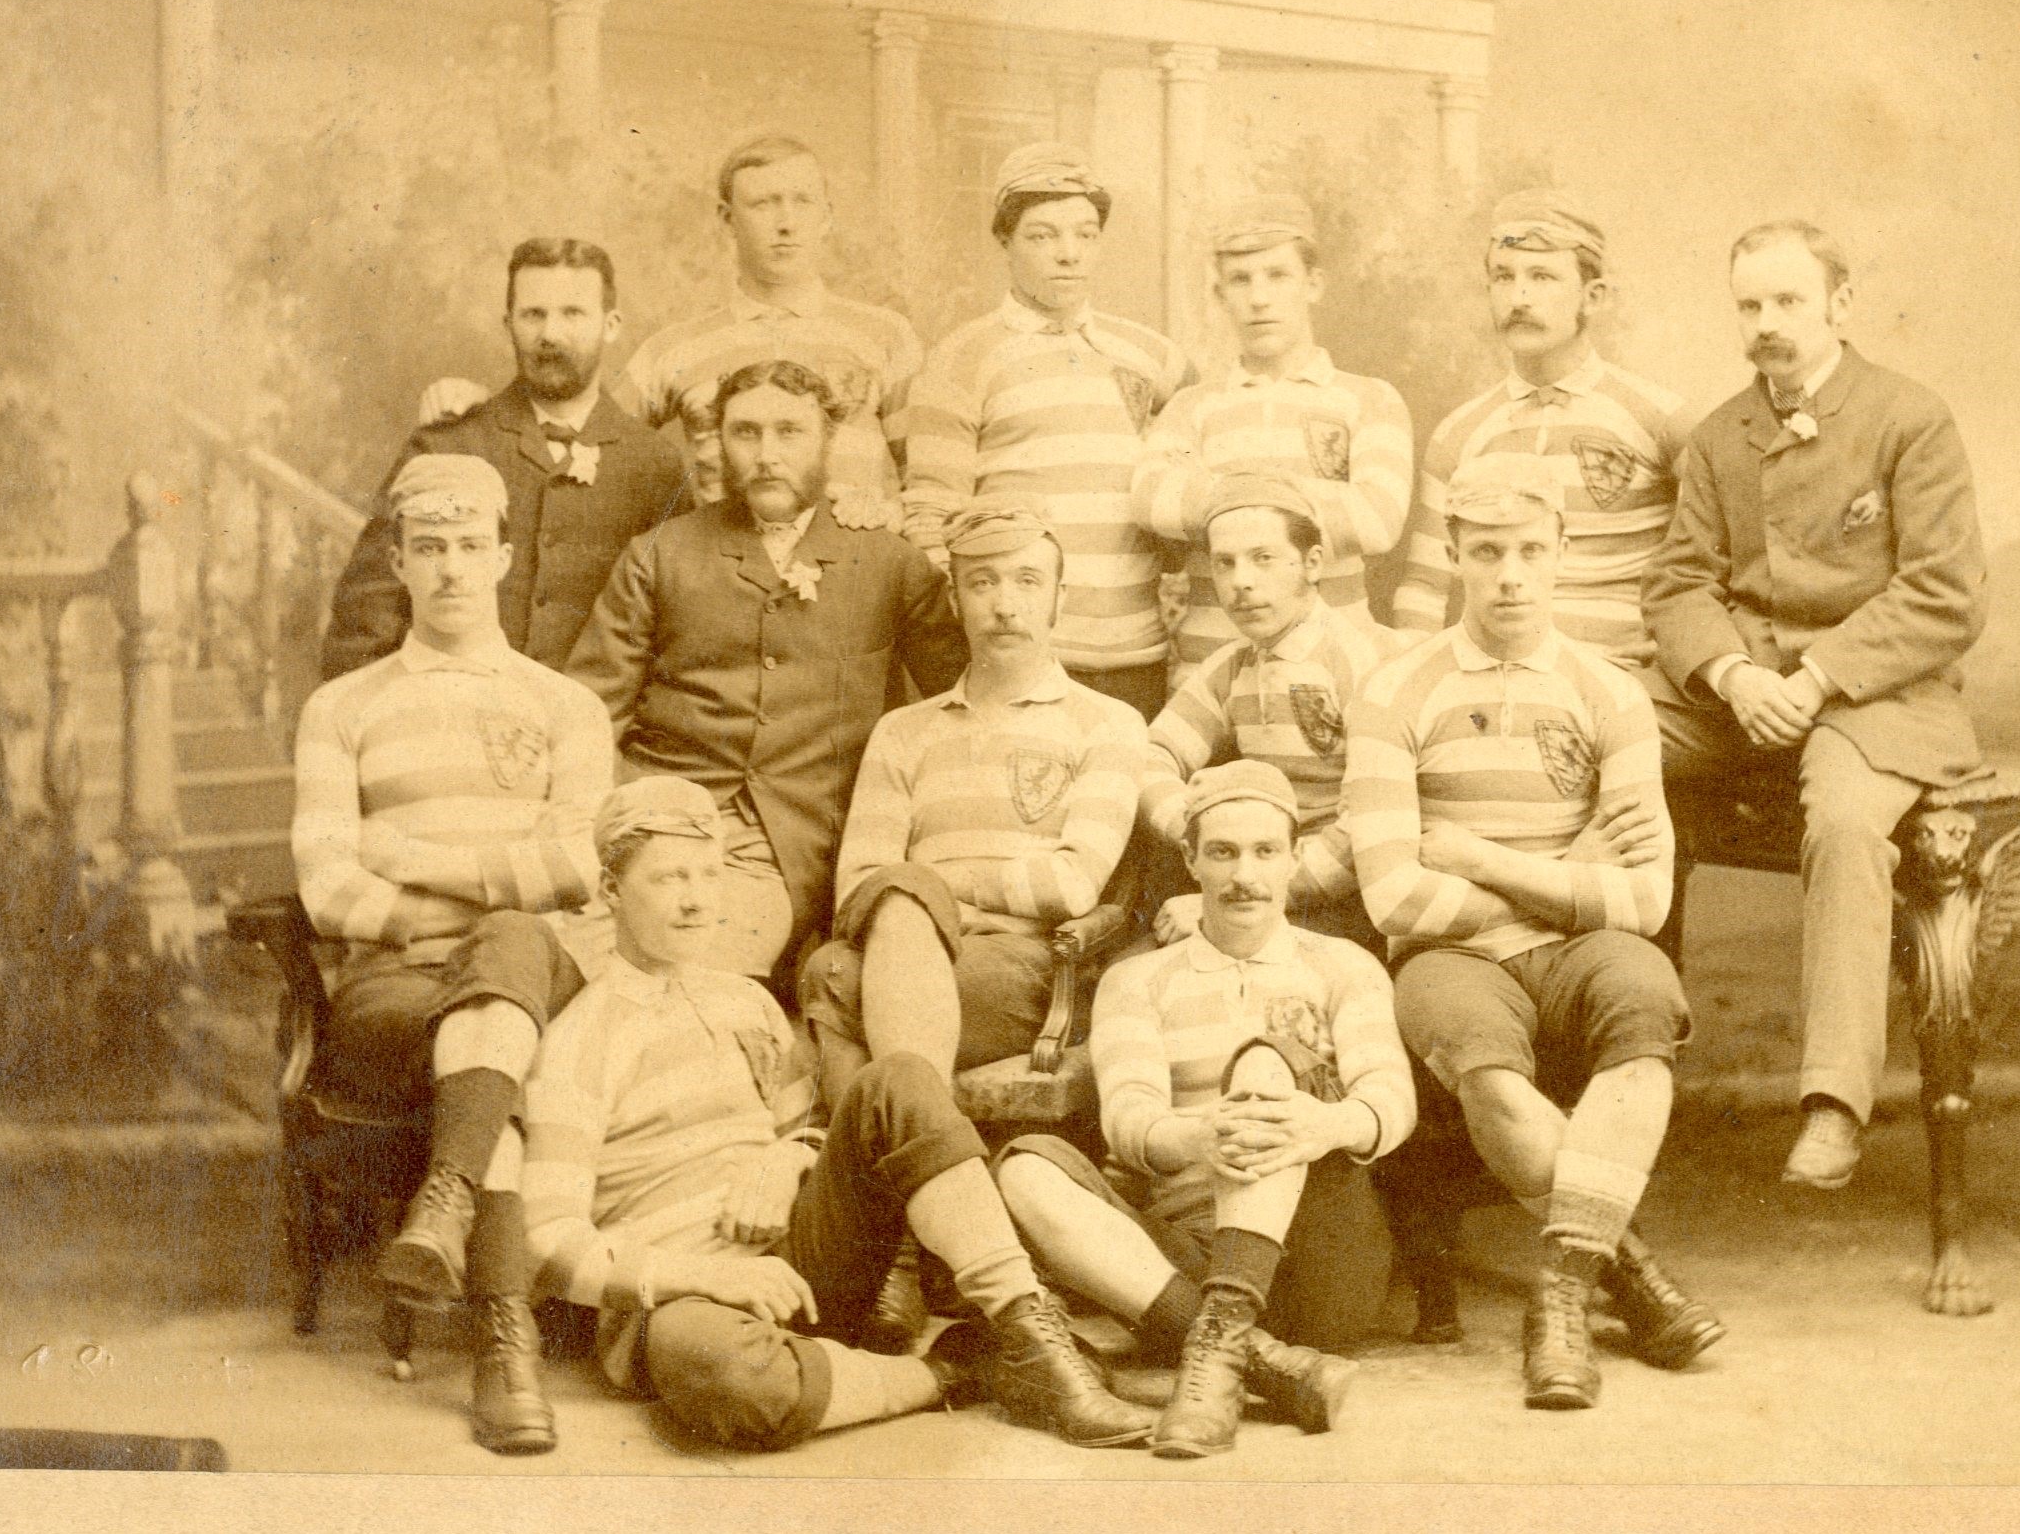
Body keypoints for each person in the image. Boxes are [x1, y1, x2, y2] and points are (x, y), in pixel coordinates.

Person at [514, 776, 1157, 1454]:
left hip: (802, 1266)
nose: (696, 898)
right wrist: (712, 1276)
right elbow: (547, 1241)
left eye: (709, 873)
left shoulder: (746, 1003)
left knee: (898, 1079)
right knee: (731, 1378)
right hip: (687, 1300)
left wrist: (785, 1156)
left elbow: (810, 1130)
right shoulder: (579, 1039)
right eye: (670, 877)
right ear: (611, 889)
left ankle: (1030, 1339)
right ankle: (953, 1369)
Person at [1345, 453, 1722, 1411]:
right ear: (1456, 555)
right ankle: (1622, 1270)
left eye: (1527, 551)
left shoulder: (1611, 692)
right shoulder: (1394, 690)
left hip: (1577, 949)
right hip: (1451, 957)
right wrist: (1568, 874)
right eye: (1486, 553)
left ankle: (1558, 1293)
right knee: (1486, 1065)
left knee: (1646, 998)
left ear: (1561, 550)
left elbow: (1645, 902)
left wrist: (1483, 858)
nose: (1509, 575)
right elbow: (1395, 900)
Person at [1642, 220, 1988, 1190]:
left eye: (1788, 301)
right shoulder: (1722, 435)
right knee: (1603, 736)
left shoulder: (1909, 417)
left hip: (1879, 694)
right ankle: (1617, 1046)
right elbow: (1679, 584)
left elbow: (1946, 593)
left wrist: (1817, 676)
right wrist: (1733, 675)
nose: (1767, 323)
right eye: (1749, 304)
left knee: (1841, 825)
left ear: (1840, 303)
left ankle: (1834, 1102)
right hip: (1744, 696)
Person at [291, 454, 619, 1455]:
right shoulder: (342, 708)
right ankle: (503, 1345)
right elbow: (327, 885)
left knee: (510, 951)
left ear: (503, 557)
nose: (450, 568)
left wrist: (416, 861)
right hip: (397, 984)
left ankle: (451, 1218)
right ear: (396, 561)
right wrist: (461, 905)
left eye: (470, 545)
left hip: (527, 968)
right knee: (496, 1036)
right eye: (428, 547)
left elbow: (575, 866)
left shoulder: (565, 706)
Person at [996, 761, 1415, 1459]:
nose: (1243, 874)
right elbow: (1129, 1121)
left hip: (1319, 1259)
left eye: (1264, 851)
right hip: (1183, 1256)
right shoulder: (1137, 980)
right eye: (1222, 852)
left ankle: (1223, 1340)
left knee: (1265, 1065)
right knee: (1023, 1169)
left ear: (1293, 858)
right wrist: (1201, 1135)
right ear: (1190, 861)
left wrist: (1323, 1125)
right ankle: (1257, 1362)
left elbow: (1390, 1098)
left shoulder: (1343, 964)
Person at [564, 360, 966, 982]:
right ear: (719, 442)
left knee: (683, 974)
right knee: (573, 966)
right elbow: (588, 718)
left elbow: (962, 706)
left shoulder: (890, 562)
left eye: (789, 432)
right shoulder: (661, 554)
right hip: (652, 821)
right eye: (745, 433)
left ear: (827, 440)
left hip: (785, 844)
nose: (766, 455)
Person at [800, 500, 1147, 1101]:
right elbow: (857, 886)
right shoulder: (903, 731)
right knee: (836, 967)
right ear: (955, 601)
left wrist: (927, 893)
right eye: (982, 583)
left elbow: (1071, 886)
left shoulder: (1108, 723)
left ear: (1060, 599)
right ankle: (925, 1139)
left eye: (1027, 581)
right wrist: (935, 909)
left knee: (845, 980)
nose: (1005, 605)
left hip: (1021, 966)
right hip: (907, 945)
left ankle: (890, 1146)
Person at [900, 142, 1196, 720]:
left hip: (1140, 657)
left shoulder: (1152, 355)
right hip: (1022, 663)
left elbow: (1194, 482)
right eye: (1043, 235)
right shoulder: (960, 358)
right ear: (1004, 239)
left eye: (1085, 234)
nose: (1068, 254)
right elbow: (931, 522)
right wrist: (984, 649)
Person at [322, 237, 688, 680]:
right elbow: (367, 616)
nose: (550, 334)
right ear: (508, 323)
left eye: (572, 313)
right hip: (452, 709)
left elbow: (677, 636)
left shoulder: (655, 466)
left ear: (610, 325)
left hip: (601, 718)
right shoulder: (450, 443)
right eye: (533, 314)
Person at [1391, 191, 1691, 672]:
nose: (1519, 298)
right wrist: (1413, 679)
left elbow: (1722, 564)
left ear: (1593, 297)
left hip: (1627, 680)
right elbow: (1425, 587)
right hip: (1497, 680)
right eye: (1503, 277)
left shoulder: (1658, 419)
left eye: (1542, 277)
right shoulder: (1460, 434)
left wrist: (1674, 653)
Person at [1133, 192, 1413, 678]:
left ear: (1313, 284)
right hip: (1209, 676)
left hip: (1334, 674)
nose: (1259, 298)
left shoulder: (1369, 399)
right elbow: (1151, 500)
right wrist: (1307, 501)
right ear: (1220, 295)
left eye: (1278, 275)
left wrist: (1219, 495)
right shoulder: (1192, 407)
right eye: (1241, 280)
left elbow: (1376, 519)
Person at [1140, 475, 1416, 946]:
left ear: (1312, 563)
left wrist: (1235, 897)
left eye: (1263, 558)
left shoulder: (1365, 661)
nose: (1241, 581)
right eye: (1224, 563)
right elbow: (1152, 755)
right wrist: (1193, 823)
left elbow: (1370, 824)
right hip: (1255, 880)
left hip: (1348, 900)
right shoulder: (1233, 665)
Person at [618, 135, 925, 516]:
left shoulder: (885, 335)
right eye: (763, 204)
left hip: (852, 549)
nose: (786, 224)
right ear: (727, 220)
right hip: (722, 551)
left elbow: (927, 478)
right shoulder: (673, 349)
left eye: (802, 202)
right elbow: (601, 449)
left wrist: (889, 514)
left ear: (826, 216)